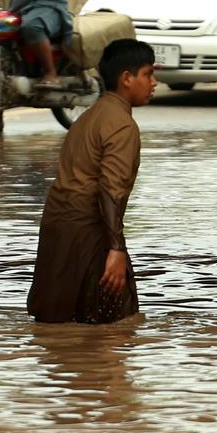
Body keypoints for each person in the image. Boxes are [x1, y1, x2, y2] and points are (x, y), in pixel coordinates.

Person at [27, 39, 157, 324]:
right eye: (148, 74)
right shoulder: (122, 125)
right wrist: (116, 249)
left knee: (57, 320)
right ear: (126, 78)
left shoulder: (87, 118)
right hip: (90, 230)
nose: (154, 83)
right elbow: (110, 191)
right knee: (116, 324)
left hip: (58, 227)